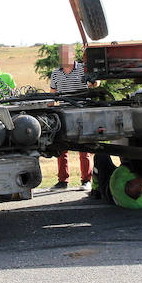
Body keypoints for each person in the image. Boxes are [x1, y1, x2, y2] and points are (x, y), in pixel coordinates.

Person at [49, 44, 92, 190]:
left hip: (81, 112)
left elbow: (95, 83)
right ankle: (63, 181)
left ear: (73, 55)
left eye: (67, 54)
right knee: (62, 148)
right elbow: (53, 95)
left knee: (84, 147)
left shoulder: (83, 68)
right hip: (63, 113)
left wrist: (94, 81)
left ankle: (86, 180)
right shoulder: (55, 73)